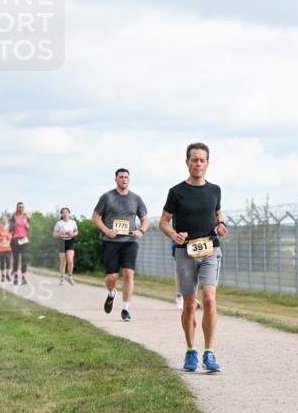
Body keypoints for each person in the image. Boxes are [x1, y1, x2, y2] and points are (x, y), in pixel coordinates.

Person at [159, 142, 227, 373]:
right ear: (187, 162)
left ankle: (209, 353)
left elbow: (218, 212)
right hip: (185, 252)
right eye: (194, 159)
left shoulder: (215, 189)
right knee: (189, 304)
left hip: (210, 249)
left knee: (208, 299)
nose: (198, 163)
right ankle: (190, 351)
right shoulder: (176, 192)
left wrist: (221, 224)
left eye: (202, 160)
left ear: (207, 163)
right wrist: (173, 234)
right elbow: (163, 221)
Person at [93, 168, 149, 322]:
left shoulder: (136, 199)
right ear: (116, 179)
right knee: (111, 277)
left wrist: (141, 231)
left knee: (128, 274)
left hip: (130, 242)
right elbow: (95, 216)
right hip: (110, 241)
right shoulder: (107, 197)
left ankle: (125, 309)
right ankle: (111, 293)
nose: (124, 179)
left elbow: (145, 219)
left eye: (126, 177)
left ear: (129, 179)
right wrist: (106, 230)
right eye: (121, 177)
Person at [53, 207, 78, 285]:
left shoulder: (73, 222)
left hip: (70, 241)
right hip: (62, 242)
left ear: (69, 213)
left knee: (70, 260)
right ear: (61, 214)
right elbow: (54, 234)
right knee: (63, 262)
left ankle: (69, 277)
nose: (65, 213)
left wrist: (72, 234)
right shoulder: (59, 223)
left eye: (66, 212)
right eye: (63, 212)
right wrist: (62, 233)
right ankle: (61, 278)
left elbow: (76, 232)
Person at [10, 202, 31, 284]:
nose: (21, 208)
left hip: (24, 239)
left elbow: (28, 227)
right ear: (17, 208)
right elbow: (10, 228)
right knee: (16, 258)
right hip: (15, 238)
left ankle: (23, 277)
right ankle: (15, 276)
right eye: (19, 207)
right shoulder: (14, 217)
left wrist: (28, 223)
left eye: (22, 207)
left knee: (24, 258)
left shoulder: (27, 217)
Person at [0, 216, 13, 282]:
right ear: (1, 221)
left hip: (8, 248)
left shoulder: (9, 228)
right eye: (3, 219)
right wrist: (0, 238)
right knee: (2, 263)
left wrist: (10, 237)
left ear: (7, 221)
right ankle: (3, 276)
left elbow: (11, 235)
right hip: (0, 248)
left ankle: (7, 275)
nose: (4, 220)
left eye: (5, 219)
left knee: (8, 262)